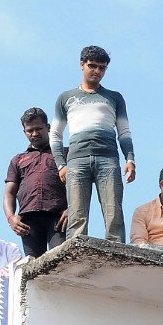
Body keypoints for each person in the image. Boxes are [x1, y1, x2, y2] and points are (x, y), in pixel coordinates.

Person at [50, 45, 136, 242]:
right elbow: (55, 134)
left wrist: (130, 159)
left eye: (102, 68)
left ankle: (116, 258)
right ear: (82, 65)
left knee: (113, 213)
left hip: (107, 158)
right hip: (76, 160)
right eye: (92, 66)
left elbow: (124, 132)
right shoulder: (66, 98)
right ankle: (75, 260)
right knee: (77, 216)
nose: (97, 71)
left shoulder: (114, 98)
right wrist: (61, 164)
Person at [5, 106, 68, 258]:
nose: (34, 134)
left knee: (59, 261)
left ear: (48, 128)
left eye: (38, 129)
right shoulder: (18, 160)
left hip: (58, 217)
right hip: (28, 221)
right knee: (33, 267)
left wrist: (72, 209)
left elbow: (80, 185)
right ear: (24, 132)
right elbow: (9, 192)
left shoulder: (65, 153)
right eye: (29, 130)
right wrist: (11, 218)